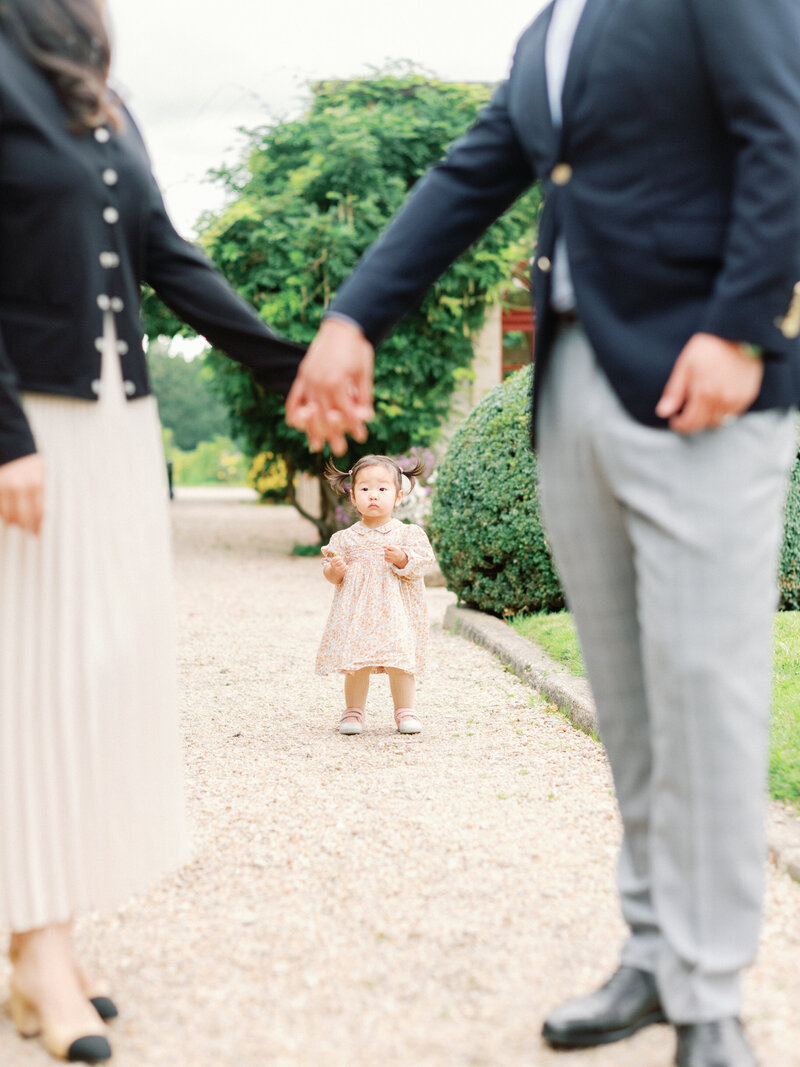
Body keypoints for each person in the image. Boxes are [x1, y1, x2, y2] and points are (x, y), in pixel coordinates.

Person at [285, 2, 800, 1064]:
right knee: (628, 699)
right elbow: (473, 174)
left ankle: (709, 999)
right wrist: (351, 317)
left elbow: (781, 132)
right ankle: (654, 952)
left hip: (701, 385)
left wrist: (744, 324)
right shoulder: (554, 25)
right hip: (569, 398)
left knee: (703, 691)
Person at [0, 1, 304, 1061]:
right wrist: (2, 435)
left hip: (120, 430)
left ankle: (49, 935)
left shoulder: (101, 93)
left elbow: (168, 255)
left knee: (96, 677)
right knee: (35, 679)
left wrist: (288, 366)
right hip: (30, 431)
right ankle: (37, 955)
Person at [316, 455, 434, 736]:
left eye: (382, 489)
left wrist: (403, 558)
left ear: (398, 496)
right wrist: (335, 570)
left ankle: (405, 710)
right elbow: (330, 574)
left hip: (397, 613)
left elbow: (423, 562)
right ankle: (353, 712)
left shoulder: (408, 534)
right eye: (365, 489)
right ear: (353, 496)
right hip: (358, 614)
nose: (373, 496)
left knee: (400, 659)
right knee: (357, 662)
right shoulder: (345, 539)